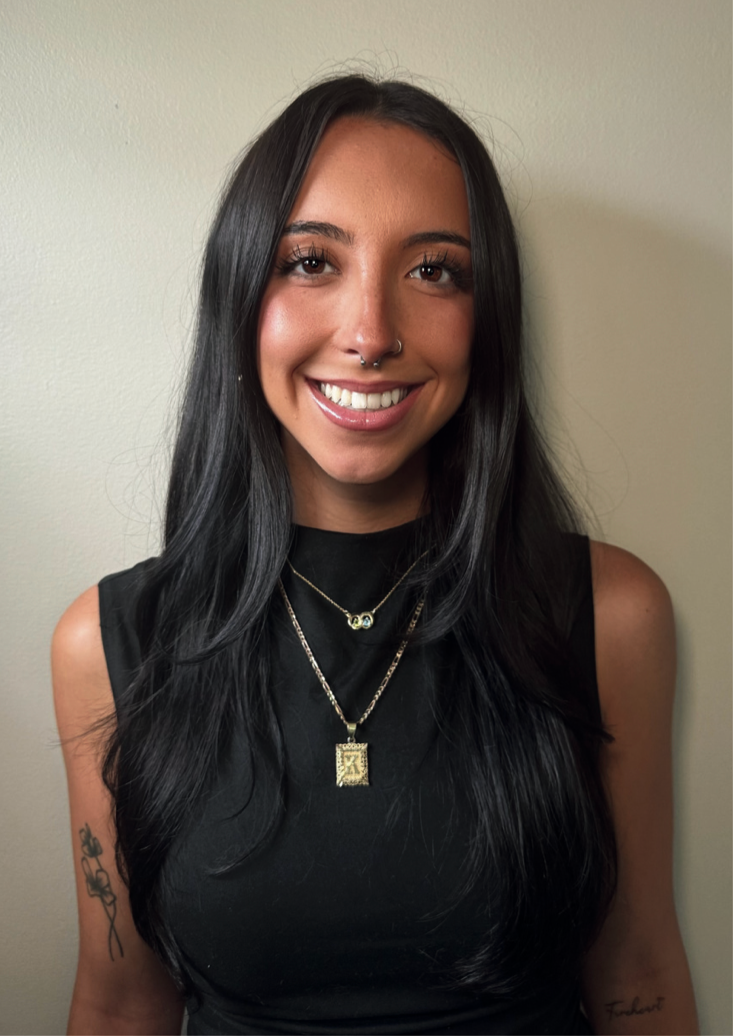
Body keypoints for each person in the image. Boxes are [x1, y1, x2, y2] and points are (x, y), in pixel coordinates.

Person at [52, 75, 698, 1036]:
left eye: (434, 271)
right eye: (311, 261)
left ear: (489, 322)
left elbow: (635, 972)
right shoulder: (109, 644)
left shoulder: (608, 615)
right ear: (240, 298)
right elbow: (120, 1003)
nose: (369, 334)